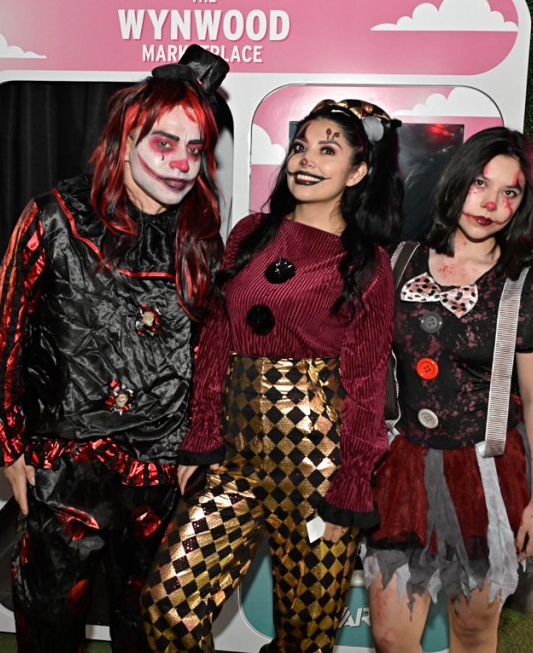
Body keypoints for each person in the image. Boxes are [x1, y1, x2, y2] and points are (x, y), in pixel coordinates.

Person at [0, 45, 228, 653]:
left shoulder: (200, 238)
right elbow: (3, 335)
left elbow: (211, 354)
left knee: (151, 627)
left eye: (195, 149)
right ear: (125, 140)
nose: (181, 163)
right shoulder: (53, 219)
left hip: (163, 469)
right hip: (68, 463)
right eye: (164, 143)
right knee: (50, 620)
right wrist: (8, 444)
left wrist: (200, 444)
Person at [143, 99, 402, 652]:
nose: (305, 160)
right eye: (301, 147)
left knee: (305, 638)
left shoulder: (368, 263)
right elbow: (216, 337)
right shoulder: (250, 233)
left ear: (357, 172)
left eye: (327, 150)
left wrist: (352, 481)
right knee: (169, 608)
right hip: (233, 457)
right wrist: (201, 435)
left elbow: (366, 381)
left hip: (317, 466)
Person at [364, 127, 533, 653]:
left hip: (486, 473)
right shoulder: (399, 261)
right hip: (404, 465)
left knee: (473, 631)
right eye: (481, 183)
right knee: (389, 635)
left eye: (509, 191)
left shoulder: (528, 285)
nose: (491, 203)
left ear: (522, 204)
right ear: (457, 182)